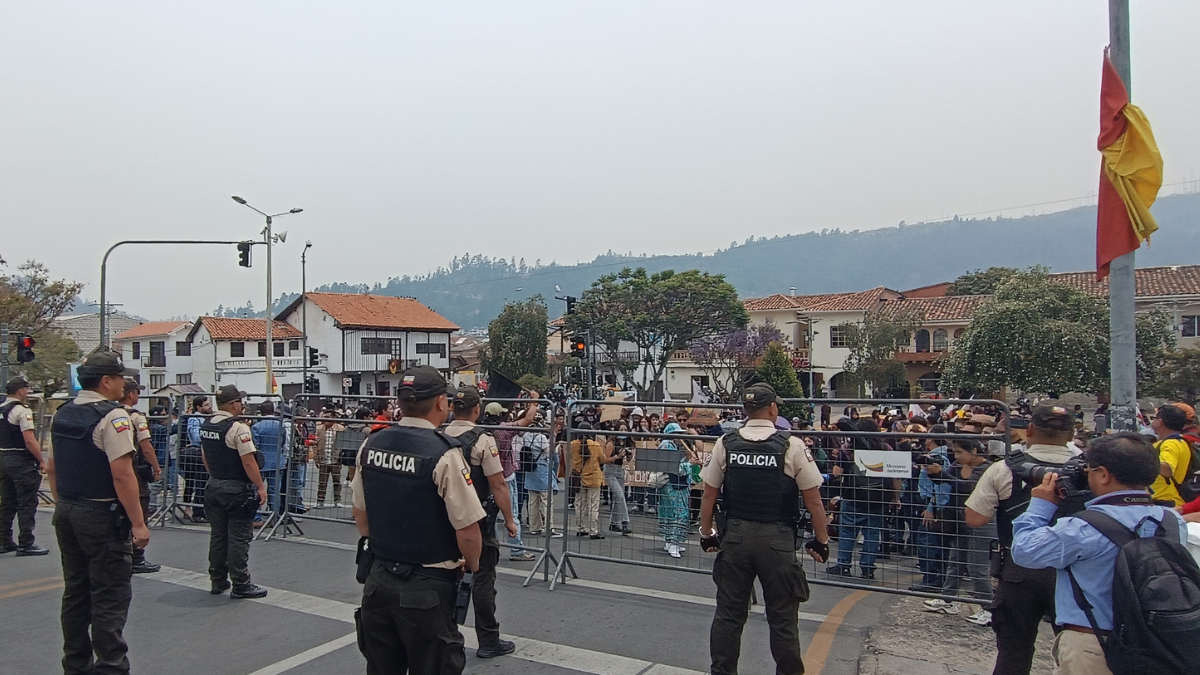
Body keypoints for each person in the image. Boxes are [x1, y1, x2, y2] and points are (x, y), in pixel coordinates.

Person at [1010, 432, 1184, 675]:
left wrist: (1040, 506)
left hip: (1094, 644)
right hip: (1155, 642)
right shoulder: (1173, 521)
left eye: (1088, 470)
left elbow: (1024, 552)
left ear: (1103, 474)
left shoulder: (1083, 527)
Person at [351, 366, 484, 674]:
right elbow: (467, 530)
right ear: (441, 402)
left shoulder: (371, 445)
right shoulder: (444, 455)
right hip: (428, 586)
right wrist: (470, 564)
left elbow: (360, 512)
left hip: (379, 578)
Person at [699, 382, 831, 675]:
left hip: (735, 536)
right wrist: (821, 541)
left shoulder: (726, 443)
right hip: (777, 540)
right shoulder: (791, 445)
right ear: (773, 408)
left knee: (729, 616)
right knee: (782, 619)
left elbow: (708, 494)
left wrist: (706, 534)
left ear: (745, 411)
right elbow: (815, 502)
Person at [47, 351, 149, 675]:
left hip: (68, 508)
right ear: (106, 381)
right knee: (109, 596)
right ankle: (110, 667)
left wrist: (64, 502)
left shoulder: (61, 413)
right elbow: (122, 474)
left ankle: (75, 665)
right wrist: (138, 524)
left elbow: (51, 468)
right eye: (120, 377)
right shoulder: (114, 417)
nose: (124, 383)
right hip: (101, 514)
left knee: (76, 592)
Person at [964, 404, 1076, 675]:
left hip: (1019, 567)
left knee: (1014, 650)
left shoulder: (1005, 468)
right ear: (1072, 433)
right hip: (1074, 568)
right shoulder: (1090, 469)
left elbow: (975, 518)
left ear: (1029, 430)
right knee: (1076, 648)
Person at [445, 385, 522, 659]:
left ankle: (445, 635)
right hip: (478, 520)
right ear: (477, 409)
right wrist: (511, 520)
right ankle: (488, 639)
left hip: (445, 519)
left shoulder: (439, 435)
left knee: (444, 578)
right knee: (482, 580)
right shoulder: (482, 440)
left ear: (453, 408)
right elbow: (498, 484)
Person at [200, 385, 269, 599]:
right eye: (240, 401)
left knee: (218, 536)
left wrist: (215, 475)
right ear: (234, 404)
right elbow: (248, 462)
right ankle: (241, 584)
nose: (243, 405)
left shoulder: (207, 424)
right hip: (236, 489)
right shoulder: (238, 428)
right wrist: (260, 486)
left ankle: (218, 580)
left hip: (214, 485)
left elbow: (205, 457)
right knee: (238, 538)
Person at [0, 376, 49, 556]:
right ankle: (26, 543)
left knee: (7, 502)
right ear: (20, 390)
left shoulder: (2, 409)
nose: (28, 392)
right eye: (27, 389)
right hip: (20, 460)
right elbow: (29, 439)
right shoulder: (21, 411)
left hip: (4, 457)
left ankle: (4, 540)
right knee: (27, 503)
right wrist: (41, 460)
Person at [117, 378, 162, 573]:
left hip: (115, 470)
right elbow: (146, 446)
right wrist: (157, 467)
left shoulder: (111, 413)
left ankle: (122, 555)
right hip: (135, 469)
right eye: (136, 392)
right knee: (139, 510)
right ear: (131, 394)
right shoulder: (137, 417)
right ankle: (137, 557)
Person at [658, 421, 697, 558]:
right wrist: (690, 463)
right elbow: (675, 468)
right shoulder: (667, 446)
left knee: (670, 513)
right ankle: (673, 542)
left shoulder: (671, 445)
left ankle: (670, 541)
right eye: (677, 433)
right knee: (678, 514)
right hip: (674, 486)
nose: (679, 436)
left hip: (674, 485)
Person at [571, 422, 610, 539]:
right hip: (594, 477)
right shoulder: (595, 445)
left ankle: (580, 528)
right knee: (593, 505)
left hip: (579, 477)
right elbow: (602, 460)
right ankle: (593, 530)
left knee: (579, 504)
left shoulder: (573, 444)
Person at [1148, 403, 1191, 507]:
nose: (1152, 421)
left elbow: (1167, 469)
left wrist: (1143, 459)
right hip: (1165, 500)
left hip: (1166, 501)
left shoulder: (1171, 444)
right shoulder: (1176, 441)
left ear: (1160, 422)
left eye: (1155, 418)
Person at [250, 400, 286, 518]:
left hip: (261, 462)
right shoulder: (280, 425)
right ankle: (274, 516)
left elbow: (255, 446)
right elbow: (283, 442)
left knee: (257, 490)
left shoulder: (256, 427)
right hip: (277, 460)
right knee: (275, 491)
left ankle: (257, 516)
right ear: (273, 410)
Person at [180, 395, 212, 522]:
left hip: (203, 452)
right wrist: (208, 434)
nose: (209, 407)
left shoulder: (206, 418)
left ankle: (196, 509)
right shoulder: (195, 419)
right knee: (197, 481)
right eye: (206, 405)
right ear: (199, 407)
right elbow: (196, 436)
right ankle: (195, 510)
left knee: (199, 481)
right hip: (196, 453)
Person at [606, 421, 634, 535]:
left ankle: (613, 522)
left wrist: (628, 455)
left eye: (625, 430)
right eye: (621, 429)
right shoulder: (611, 443)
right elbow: (605, 460)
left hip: (620, 470)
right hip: (610, 470)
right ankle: (625, 522)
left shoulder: (626, 443)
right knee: (621, 495)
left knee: (619, 498)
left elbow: (627, 461)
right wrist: (617, 456)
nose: (623, 432)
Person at [314, 409, 346, 508]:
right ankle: (320, 501)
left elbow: (344, 443)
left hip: (336, 459)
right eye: (324, 417)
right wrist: (316, 457)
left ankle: (337, 500)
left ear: (333, 418)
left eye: (327, 417)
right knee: (322, 482)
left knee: (337, 481)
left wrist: (341, 456)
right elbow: (315, 444)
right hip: (323, 459)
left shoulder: (340, 428)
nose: (325, 419)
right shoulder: (319, 429)